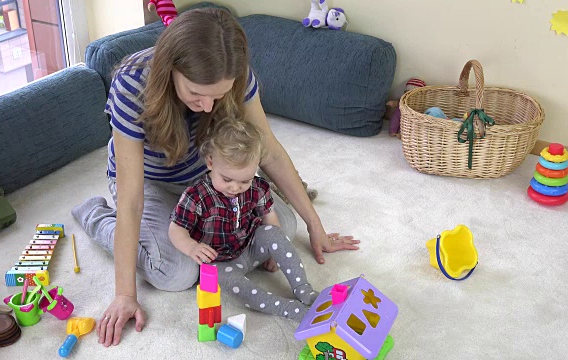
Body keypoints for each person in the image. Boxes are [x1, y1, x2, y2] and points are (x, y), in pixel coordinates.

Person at [71, 8, 360, 348]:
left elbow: (269, 152)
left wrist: (316, 227)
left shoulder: (235, 75)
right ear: (171, 69)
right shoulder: (132, 84)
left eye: (218, 96)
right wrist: (124, 294)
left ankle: (257, 222)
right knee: (174, 273)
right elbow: (132, 200)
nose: (208, 107)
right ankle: (96, 217)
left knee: (284, 225)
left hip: (210, 177)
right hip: (149, 182)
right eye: (196, 93)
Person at [170, 118, 318, 321]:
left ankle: (304, 289)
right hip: (219, 261)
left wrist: (274, 253)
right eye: (227, 179)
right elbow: (176, 229)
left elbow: (270, 219)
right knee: (232, 284)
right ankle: (285, 307)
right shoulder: (195, 195)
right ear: (210, 161)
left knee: (276, 233)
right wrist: (191, 248)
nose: (235, 188)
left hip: (249, 247)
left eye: (244, 181)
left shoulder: (258, 187)